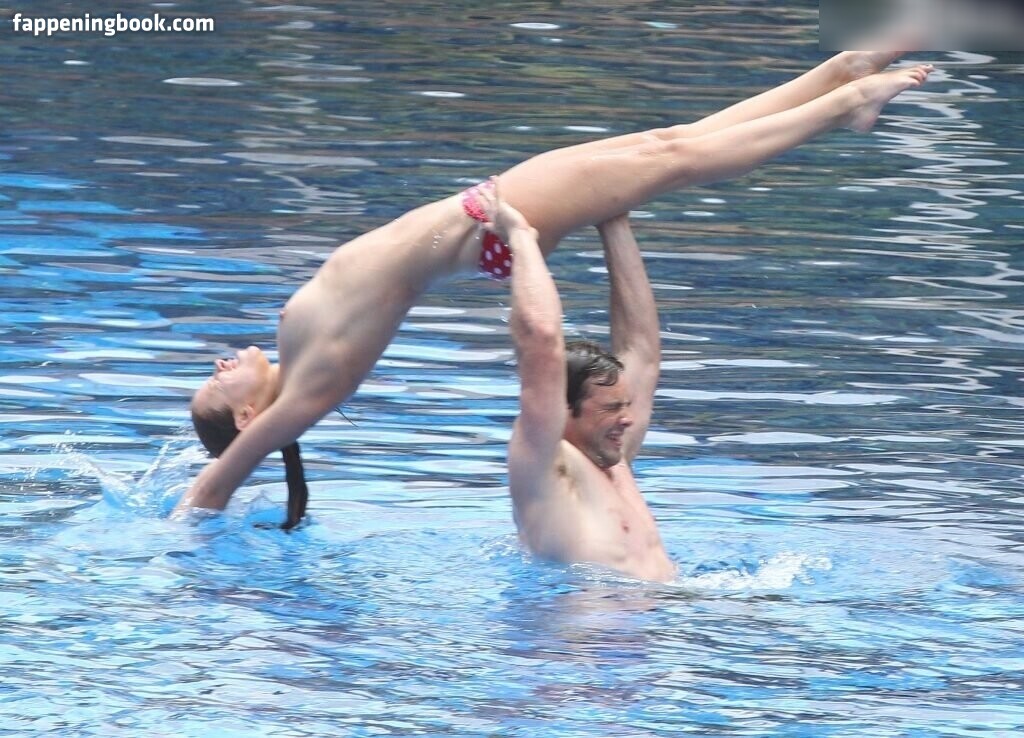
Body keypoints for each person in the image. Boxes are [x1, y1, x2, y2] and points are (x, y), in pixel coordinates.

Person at [175, 53, 933, 528]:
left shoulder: (298, 363)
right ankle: (843, 105)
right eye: (214, 386)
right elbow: (217, 483)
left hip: (479, 217)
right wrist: (183, 531)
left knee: (664, 148)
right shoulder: (311, 389)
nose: (216, 365)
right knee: (673, 158)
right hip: (489, 221)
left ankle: (834, 78)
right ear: (249, 418)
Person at [484, 180, 673, 581]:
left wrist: (614, 216)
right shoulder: (544, 467)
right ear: (563, 410)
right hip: (581, 622)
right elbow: (540, 339)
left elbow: (642, 351)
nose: (628, 418)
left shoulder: (613, 456)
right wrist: (520, 238)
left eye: (625, 405)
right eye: (611, 408)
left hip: (663, 613)